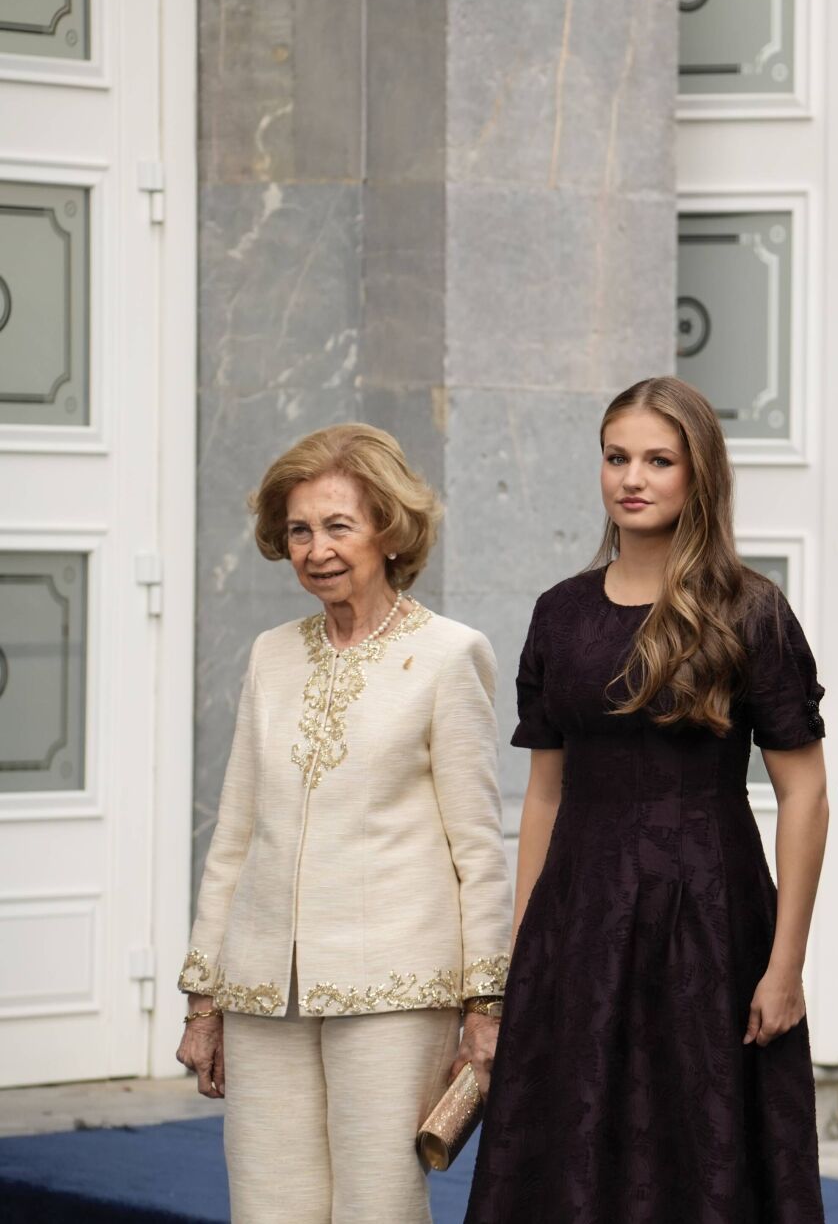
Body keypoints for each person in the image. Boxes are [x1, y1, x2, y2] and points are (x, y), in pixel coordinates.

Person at [467, 377, 830, 1224]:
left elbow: (806, 794)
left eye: (658, 460)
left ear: (697, 474)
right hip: (580, 922)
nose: (632, 477)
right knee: (571, 1150)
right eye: (616, 457)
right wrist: (525, 950)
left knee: (697, 1151)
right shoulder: (559, 614)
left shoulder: (751, 609)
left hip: (709, 922)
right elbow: (544, 796)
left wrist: (786, 965)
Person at [174, 424, 511, 1223]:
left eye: (338, 525)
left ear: (389, 530)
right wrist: (203, 998)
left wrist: (486, 1005)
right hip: (263, 988)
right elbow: (234, 834)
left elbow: (479, 852)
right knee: (267, 1204)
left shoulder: (448, 655)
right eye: (299, 529)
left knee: (377, 1207)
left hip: (394, 990)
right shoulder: (270, 655)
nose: (315, 549)